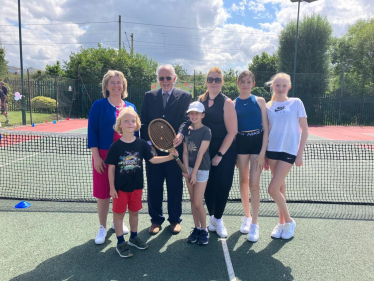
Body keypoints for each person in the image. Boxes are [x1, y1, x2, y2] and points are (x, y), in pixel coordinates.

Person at [106, 107, 178, 258]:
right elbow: (111, 169)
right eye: (126, 121)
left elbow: (152, 159)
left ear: (137, 124)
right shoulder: (115, 146)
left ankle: (133, 237)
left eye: (133, 121)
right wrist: (112, 187)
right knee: (119, 215)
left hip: (137, 187)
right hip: (120, 189)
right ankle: (120, 242)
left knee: (134, 213)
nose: (130, 123)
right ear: (120, 124)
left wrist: (169, 157)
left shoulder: (142, 144)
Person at [178, 67, 238, 238]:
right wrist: (181, 134)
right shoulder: (200, 100)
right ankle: (211, 216)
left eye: (217, 79)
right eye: (211, 79)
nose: (213, 82)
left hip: (223, 150)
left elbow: (232, 132)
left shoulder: (227, 103)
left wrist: (219, 155)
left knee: (222, 184)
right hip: (203, 150)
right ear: (206, 81)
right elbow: (187, 121)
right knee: (208, 186)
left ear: (222, 82)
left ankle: (218, 218)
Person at [87, 70, 138, 245]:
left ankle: (118, 222)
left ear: (123, 85)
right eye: (113, 83)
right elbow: (92, 131)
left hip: (126, 158)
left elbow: (135, 132)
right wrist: (97, 157)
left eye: (119, 82)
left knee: (122, 192)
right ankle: (102, 227)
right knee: (103, 193)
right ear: (106, 86)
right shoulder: (98, 105)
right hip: (102, 155)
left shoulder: (130, 106)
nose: (116, 86)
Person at [140, 64, 192, 235]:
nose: (165, 81)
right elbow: (144, 122)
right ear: (158, 80)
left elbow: (186, 120)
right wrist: (150, 146)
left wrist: (181, 134)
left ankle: (175, 219)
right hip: (154, 152)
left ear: (175, 78)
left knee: (175, 186)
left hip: (174, 151)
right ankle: (156, 220)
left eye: (168, 77)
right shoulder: (149, 96)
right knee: (154, 186)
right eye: (161, 78)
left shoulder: (185, 96)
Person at [265, 72, 308, 240]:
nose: (281, 88)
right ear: (273, 87)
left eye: (284, 85)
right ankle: (281, 224)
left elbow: (305, 129)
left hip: (289, 151)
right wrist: (266, 155)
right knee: (280, 187)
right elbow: (268, 130)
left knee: (272, 189)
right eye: (278, 85)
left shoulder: (296, 103)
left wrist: (300, 154)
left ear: (289, 87)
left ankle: (289, 221)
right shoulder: (269, 106)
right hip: (273, 150)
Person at [234, 70, 269, 242]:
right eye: (243, 81)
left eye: (249, 82)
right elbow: (232, 131)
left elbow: (266, 128)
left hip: (257, 144)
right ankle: (247, 217)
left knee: (254, 184)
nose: (245, 84)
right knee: (243, 181)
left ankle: (255, 224)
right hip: (241, 144)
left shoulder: (260, 101)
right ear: (238, 84)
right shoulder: (233, 104)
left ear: (253, 84)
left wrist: (263, 153)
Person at [182, 101, 211, 245]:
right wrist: (186, 169)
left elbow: (200, 153)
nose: (194, 115)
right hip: (190, 170)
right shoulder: (187, 130)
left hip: (202, 169)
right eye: (191, 113)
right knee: (193, 201)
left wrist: (194, 174)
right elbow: (185, 152)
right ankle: (197, 228)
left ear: (202, 115)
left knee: (198, 202)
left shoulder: (206, 131)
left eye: (197, 113)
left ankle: (204, 229)